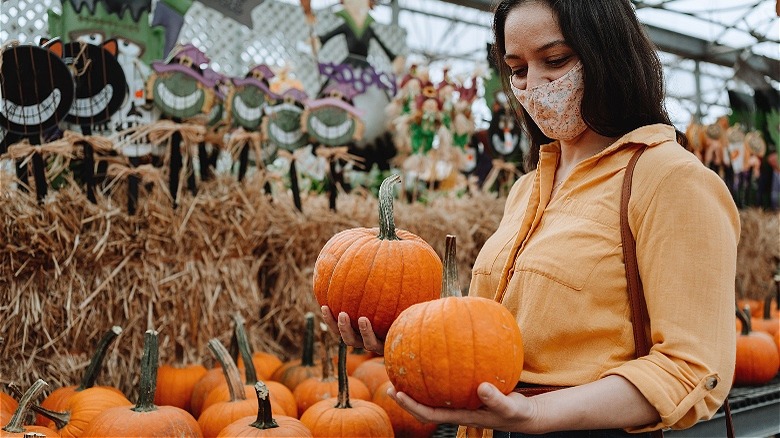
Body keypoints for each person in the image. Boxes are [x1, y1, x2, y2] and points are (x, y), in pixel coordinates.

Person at [321, 0, 740, 436]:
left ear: (609, 55)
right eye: (517, 69)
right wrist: (402, 330)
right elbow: (487, 338)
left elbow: (693, 369)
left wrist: (538, 414)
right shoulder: (527, 188)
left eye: (555, 61)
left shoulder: (671, 179)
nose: (533, 84)